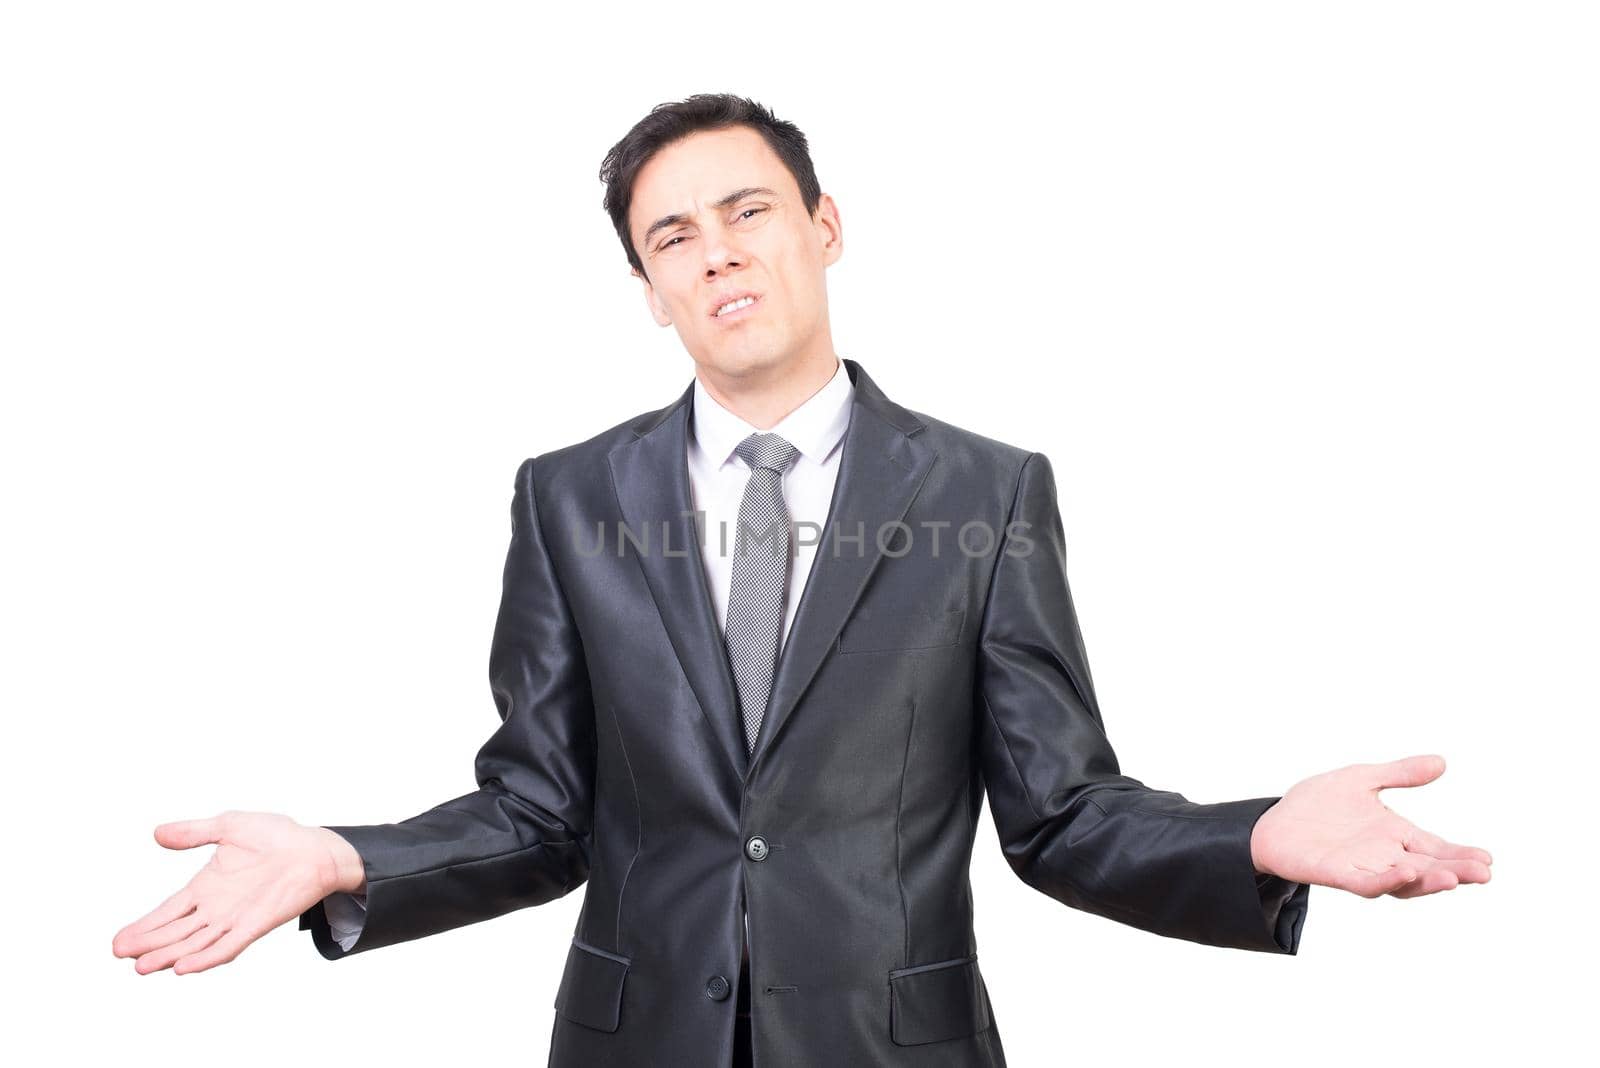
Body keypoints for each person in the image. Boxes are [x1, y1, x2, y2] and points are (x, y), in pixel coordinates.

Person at [113, 93, 1493, 1067]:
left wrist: (1248, 840)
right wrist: (351, 861)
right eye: (669, 237)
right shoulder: (568, 498)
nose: (713, 248)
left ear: (825, 225)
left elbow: (1063, 816)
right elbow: (539, 812)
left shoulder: (986, 494)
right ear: (650, 290)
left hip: (896, 1050)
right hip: (632, 1048)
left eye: (746, 209)